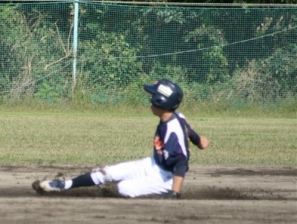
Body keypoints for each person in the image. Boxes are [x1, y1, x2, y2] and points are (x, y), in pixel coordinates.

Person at [33, 78, 209, 198]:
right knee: (107, 172)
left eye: (152, 97)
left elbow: (181, 163)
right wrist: (199, 141)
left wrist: (175, 192)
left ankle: (159, 195)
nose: (150, 101)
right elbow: (187, 129)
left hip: (167, 178)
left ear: (161, 102)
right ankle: (64, 185)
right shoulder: (176, 117)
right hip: (154, 164)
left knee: (124, 188)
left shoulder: (172, 131)